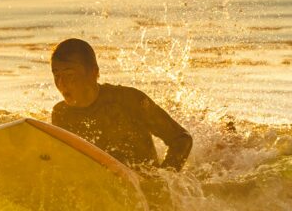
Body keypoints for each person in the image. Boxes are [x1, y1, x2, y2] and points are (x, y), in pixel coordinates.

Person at [49, 39, 192, 171]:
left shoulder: (129, 101)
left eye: (69, 74)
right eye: (56, 75)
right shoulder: (61, 114)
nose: (61, 83)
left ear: (94, 72)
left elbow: (181, 139)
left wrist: (163, 178)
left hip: (144, 185)